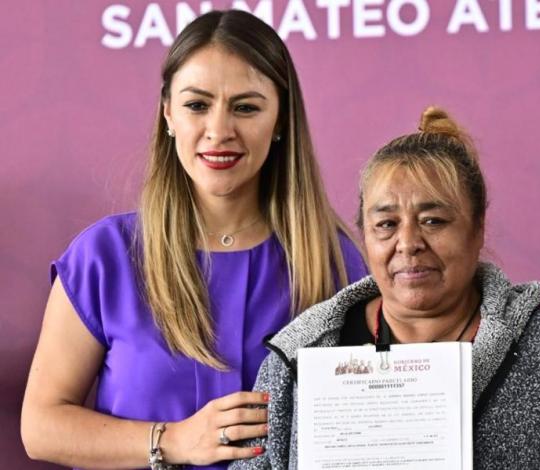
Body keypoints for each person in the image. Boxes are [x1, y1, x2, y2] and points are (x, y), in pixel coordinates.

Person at [20, 10, 367, 469]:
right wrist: (173, 440)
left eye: (246, 107)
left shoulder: (334, 262)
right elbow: (41, 427)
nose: (219, 131)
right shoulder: (103, 256)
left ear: (281, 119)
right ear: (168, 113)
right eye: (197, 105)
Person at [230, 107, 540, 469]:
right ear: (364, 237)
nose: (408, 243)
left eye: (434, 221)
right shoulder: (302, 355)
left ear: (477, 230)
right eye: (386, 224)